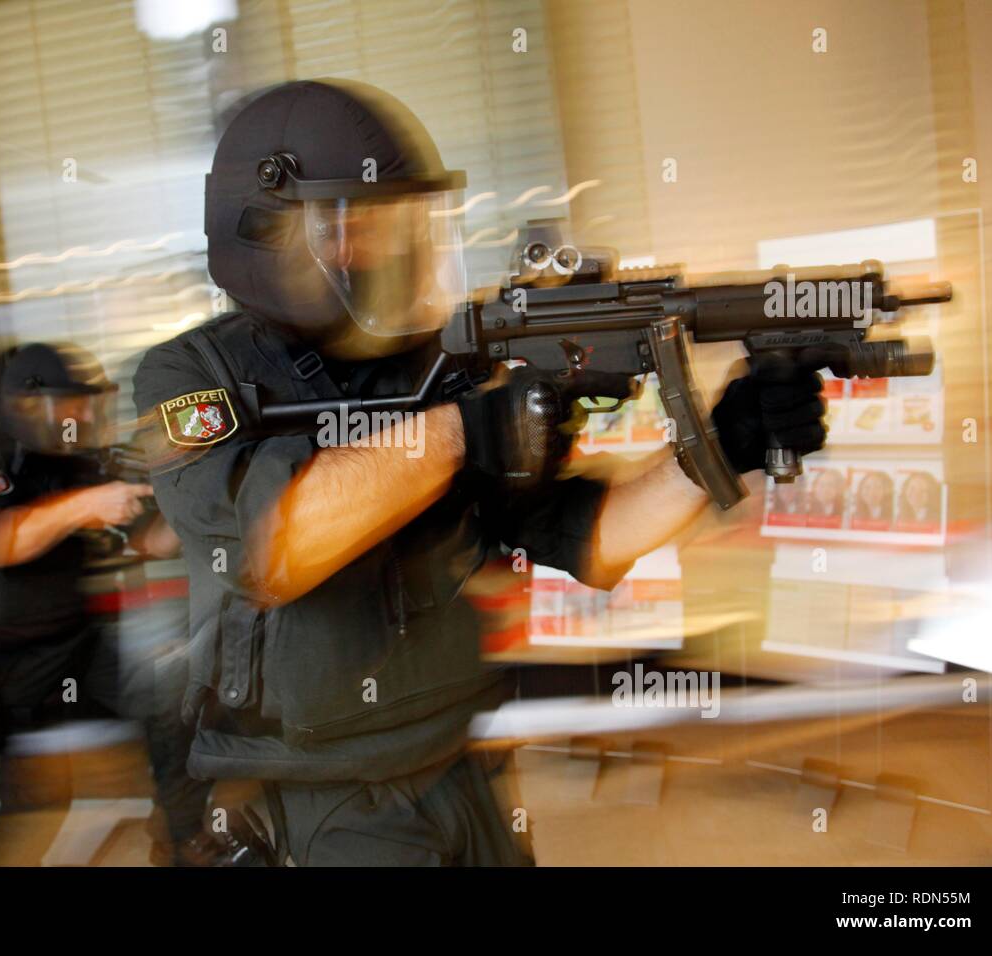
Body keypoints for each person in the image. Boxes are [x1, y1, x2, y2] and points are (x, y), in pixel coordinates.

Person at [131, 79, 828, 866]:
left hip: (458, 767)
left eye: (393, 222)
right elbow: (277, 548)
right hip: (315, 799)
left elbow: (590, 540)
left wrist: (720, 448)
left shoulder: (435, 366)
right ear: (259, 228)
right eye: (344, 226)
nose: (377, 249)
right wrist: (468, 430)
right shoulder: (188, 376)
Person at [0, 342, 210, 865]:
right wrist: (85, 505)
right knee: (38, 803)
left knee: (172, 713)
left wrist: (184, 490)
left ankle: (180, 842)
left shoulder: (79, 458)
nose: (85, 415)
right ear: (27, 402)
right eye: (73, 403)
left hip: (80, 641)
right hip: (8, 660)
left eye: (89, 403)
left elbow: (146, 543)